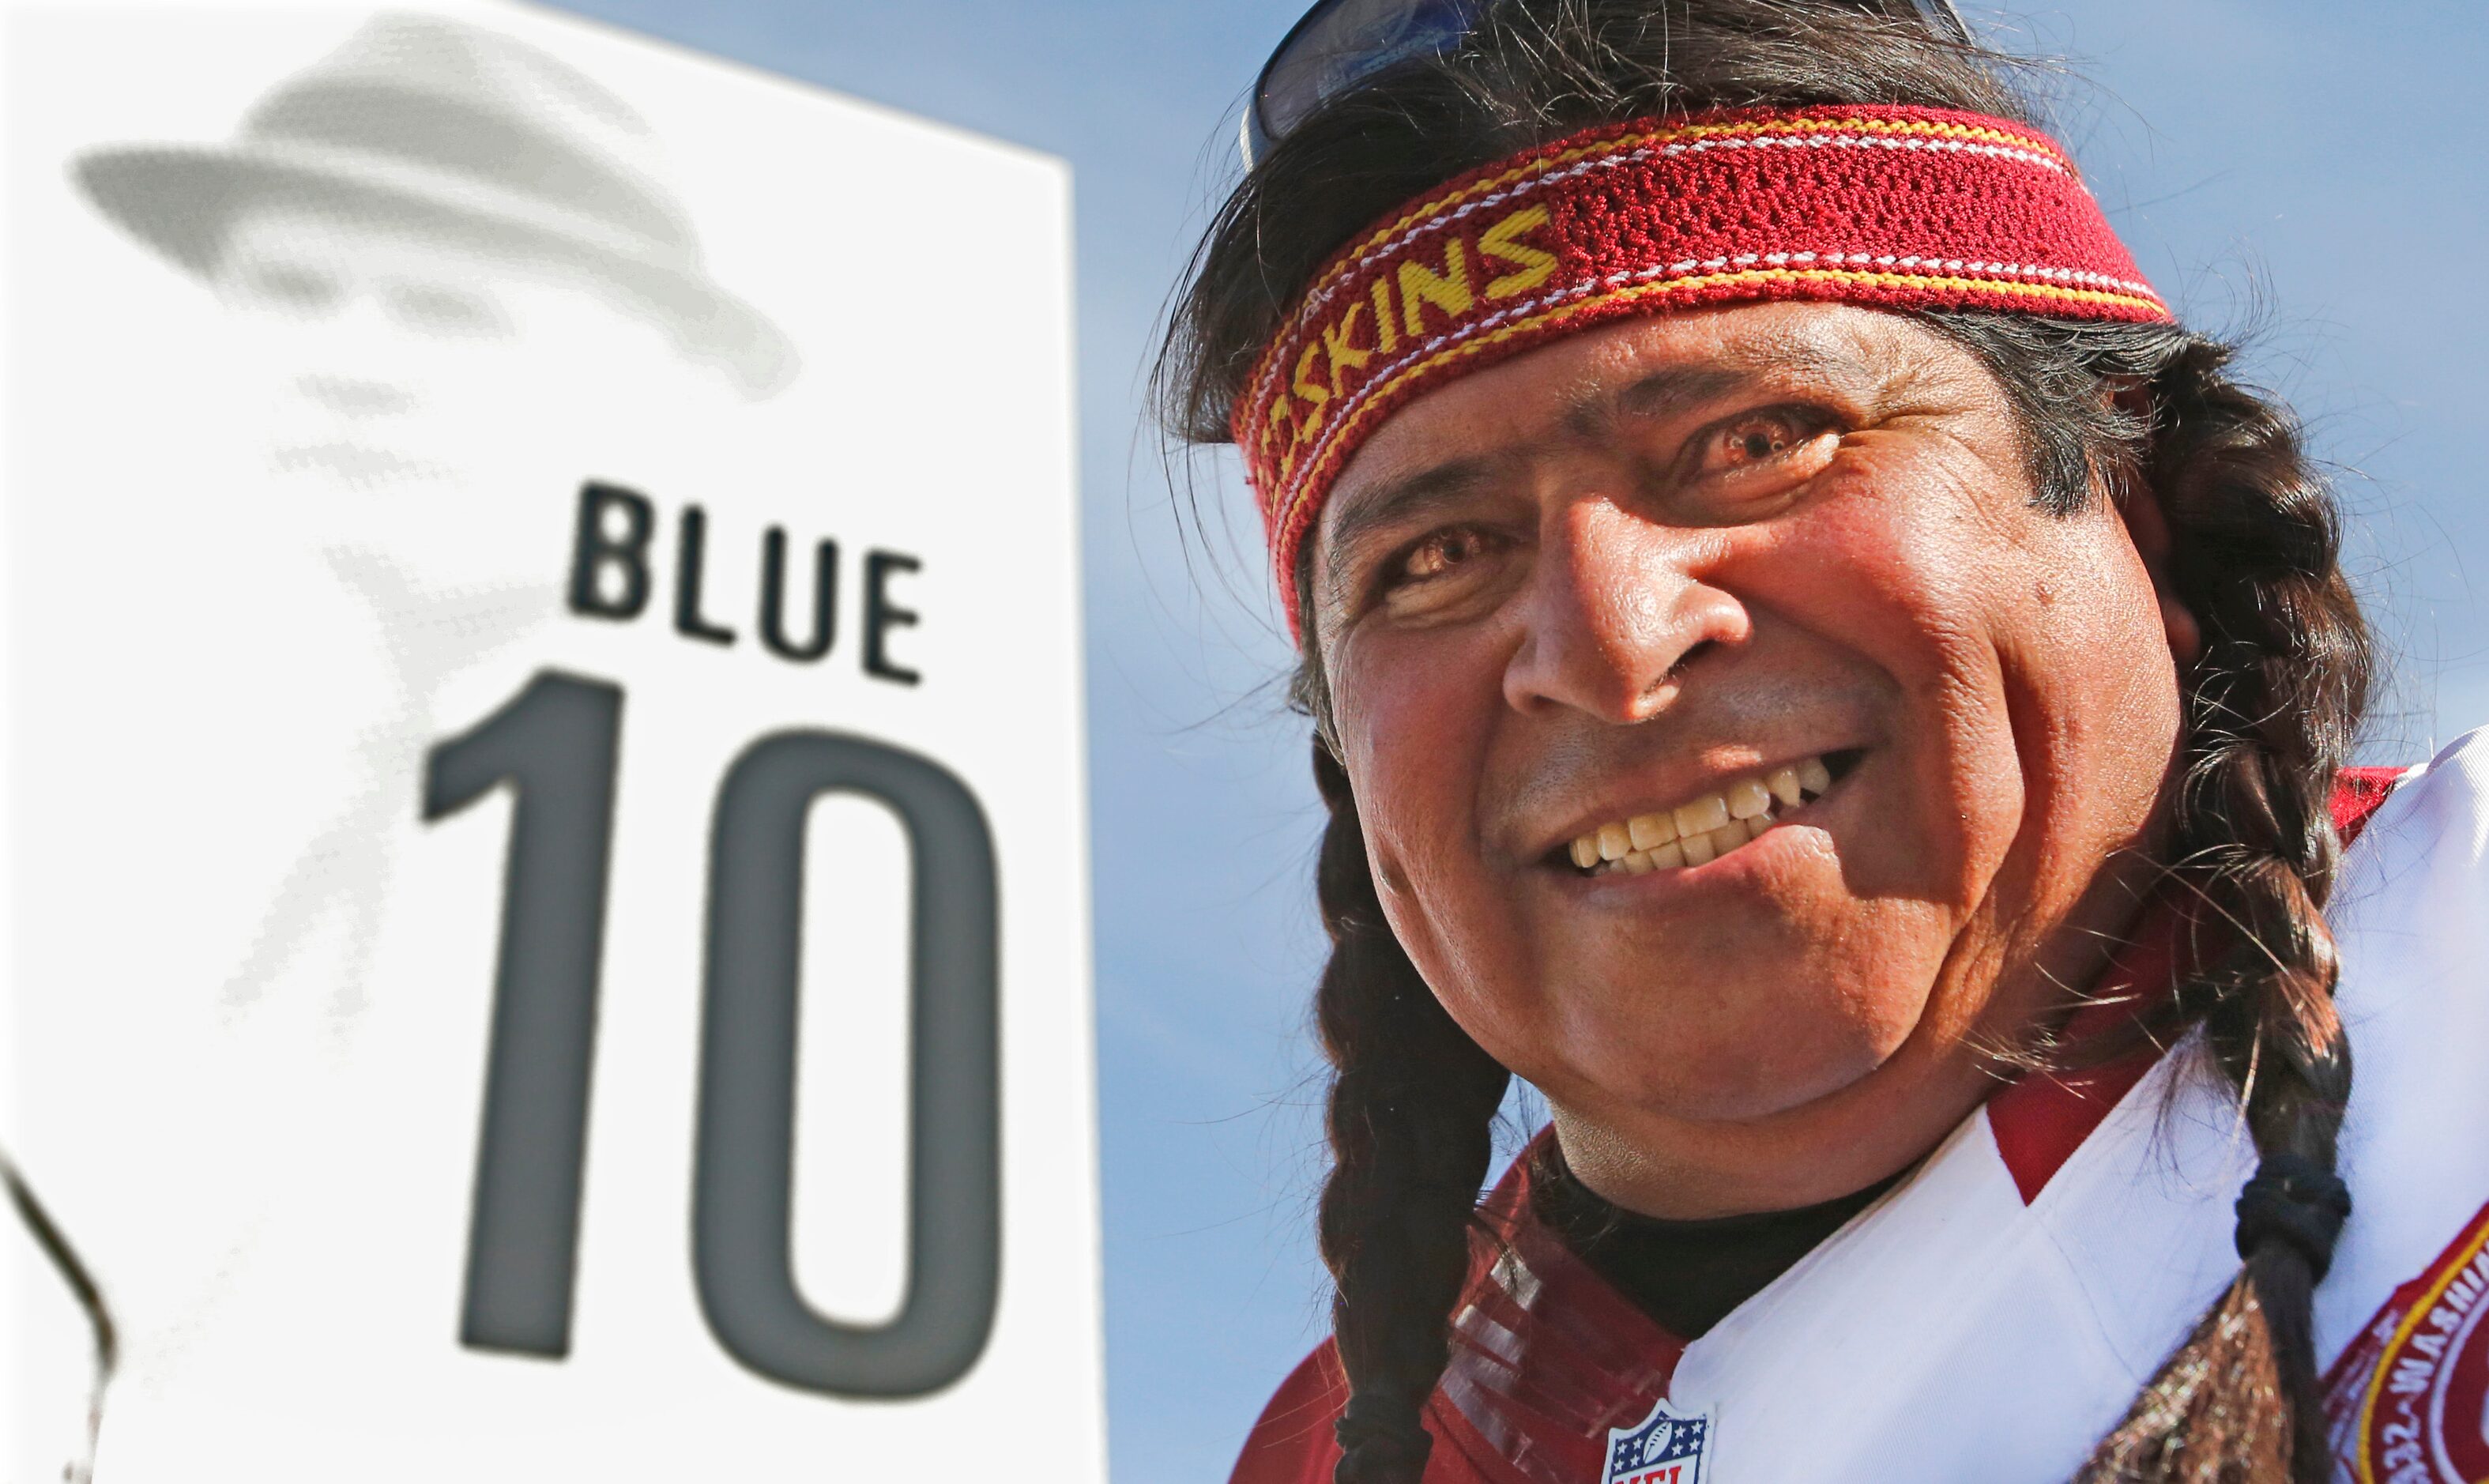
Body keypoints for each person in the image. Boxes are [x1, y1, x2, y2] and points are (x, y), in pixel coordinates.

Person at [1157, 2, 2489, 1481]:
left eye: (1752, 440)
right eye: (1433, 557)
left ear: (2132, 505)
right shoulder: (1358, 1450)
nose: (1608, 644)